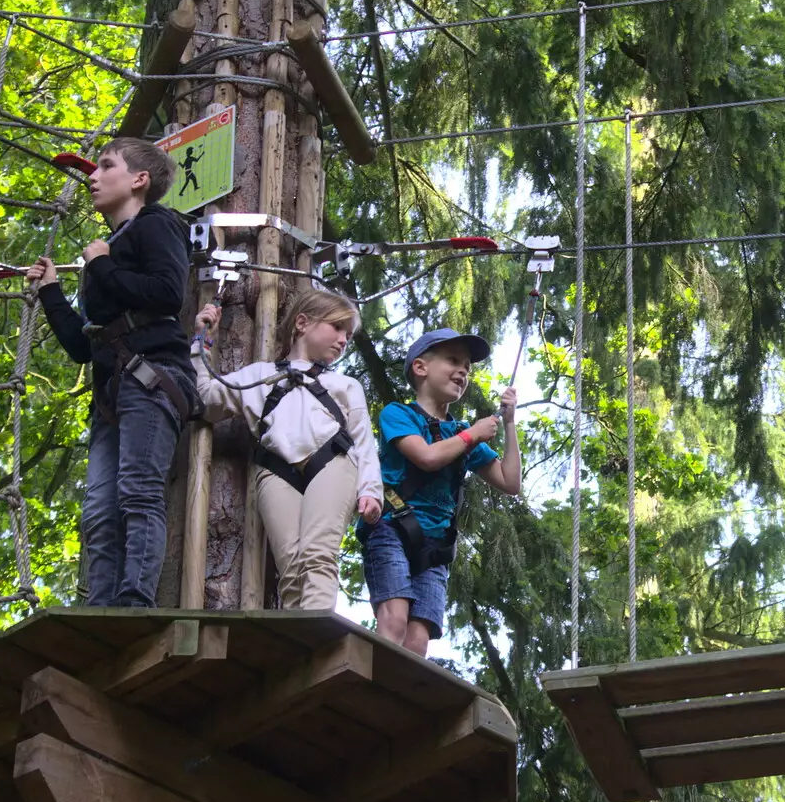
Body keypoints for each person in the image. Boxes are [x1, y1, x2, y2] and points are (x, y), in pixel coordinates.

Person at [27, 138, 196, 608]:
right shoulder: (105, 253)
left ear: (139, 180)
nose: (92, 177)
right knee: (99, 510)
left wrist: (100, 262)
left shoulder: (156, 224)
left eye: (105, 167)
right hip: (112, 390)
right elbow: (85, 345)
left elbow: (166, 294)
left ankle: (134, 601)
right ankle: (100, 609)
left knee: (138, 494)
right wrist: (51, 292)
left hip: (152, 374)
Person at [191, 289, 382, 611]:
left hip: (333, 461)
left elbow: (363, 439)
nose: (343, 340)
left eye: (348, 335)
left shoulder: (345, 385)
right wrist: (202, 342)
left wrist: (371, 489)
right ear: (303, 323)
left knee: (318, 554)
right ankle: (300, 646)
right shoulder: (258, 376)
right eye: (337, 327)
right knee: (291, 569)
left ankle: (319, 641)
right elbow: (207, 400)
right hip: (275, 469)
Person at [361, 329, 521, 655]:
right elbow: (427, 457)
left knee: (418, 639)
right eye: (452, 360)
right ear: (421, 367)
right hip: (392, 528)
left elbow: (510, 482)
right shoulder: (398, 414)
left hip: (435, 545)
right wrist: (472, 436)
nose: (462, 371)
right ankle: (375, 697)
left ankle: (403, 699)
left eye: (467, 367)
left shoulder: (460, 431)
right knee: (395, 619)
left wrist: (509, 424)